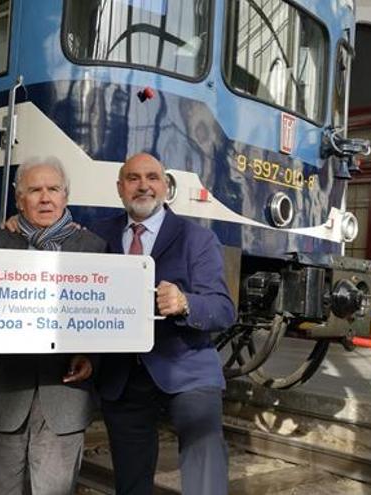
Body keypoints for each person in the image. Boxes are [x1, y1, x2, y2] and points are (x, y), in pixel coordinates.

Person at [91, 152, 236, 495]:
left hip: (186, 369)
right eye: (133, 178)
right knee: (130, 481)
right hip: (123, 375)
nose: (144, 186)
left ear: (165, 187)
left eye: (153, 178)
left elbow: (223, 309)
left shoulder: (196, 238)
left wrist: (186, 302)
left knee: (204, 470)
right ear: (120, 188)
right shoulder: (98, 235)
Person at [0, 156, 104, 495]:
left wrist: (92, 358)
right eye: (34, 190)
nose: (45, 197)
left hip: (64, 402)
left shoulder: (94, 248)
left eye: (53, 189)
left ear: (65, 196)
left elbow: (109, 319)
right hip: (3, 396)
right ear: (19, 200)